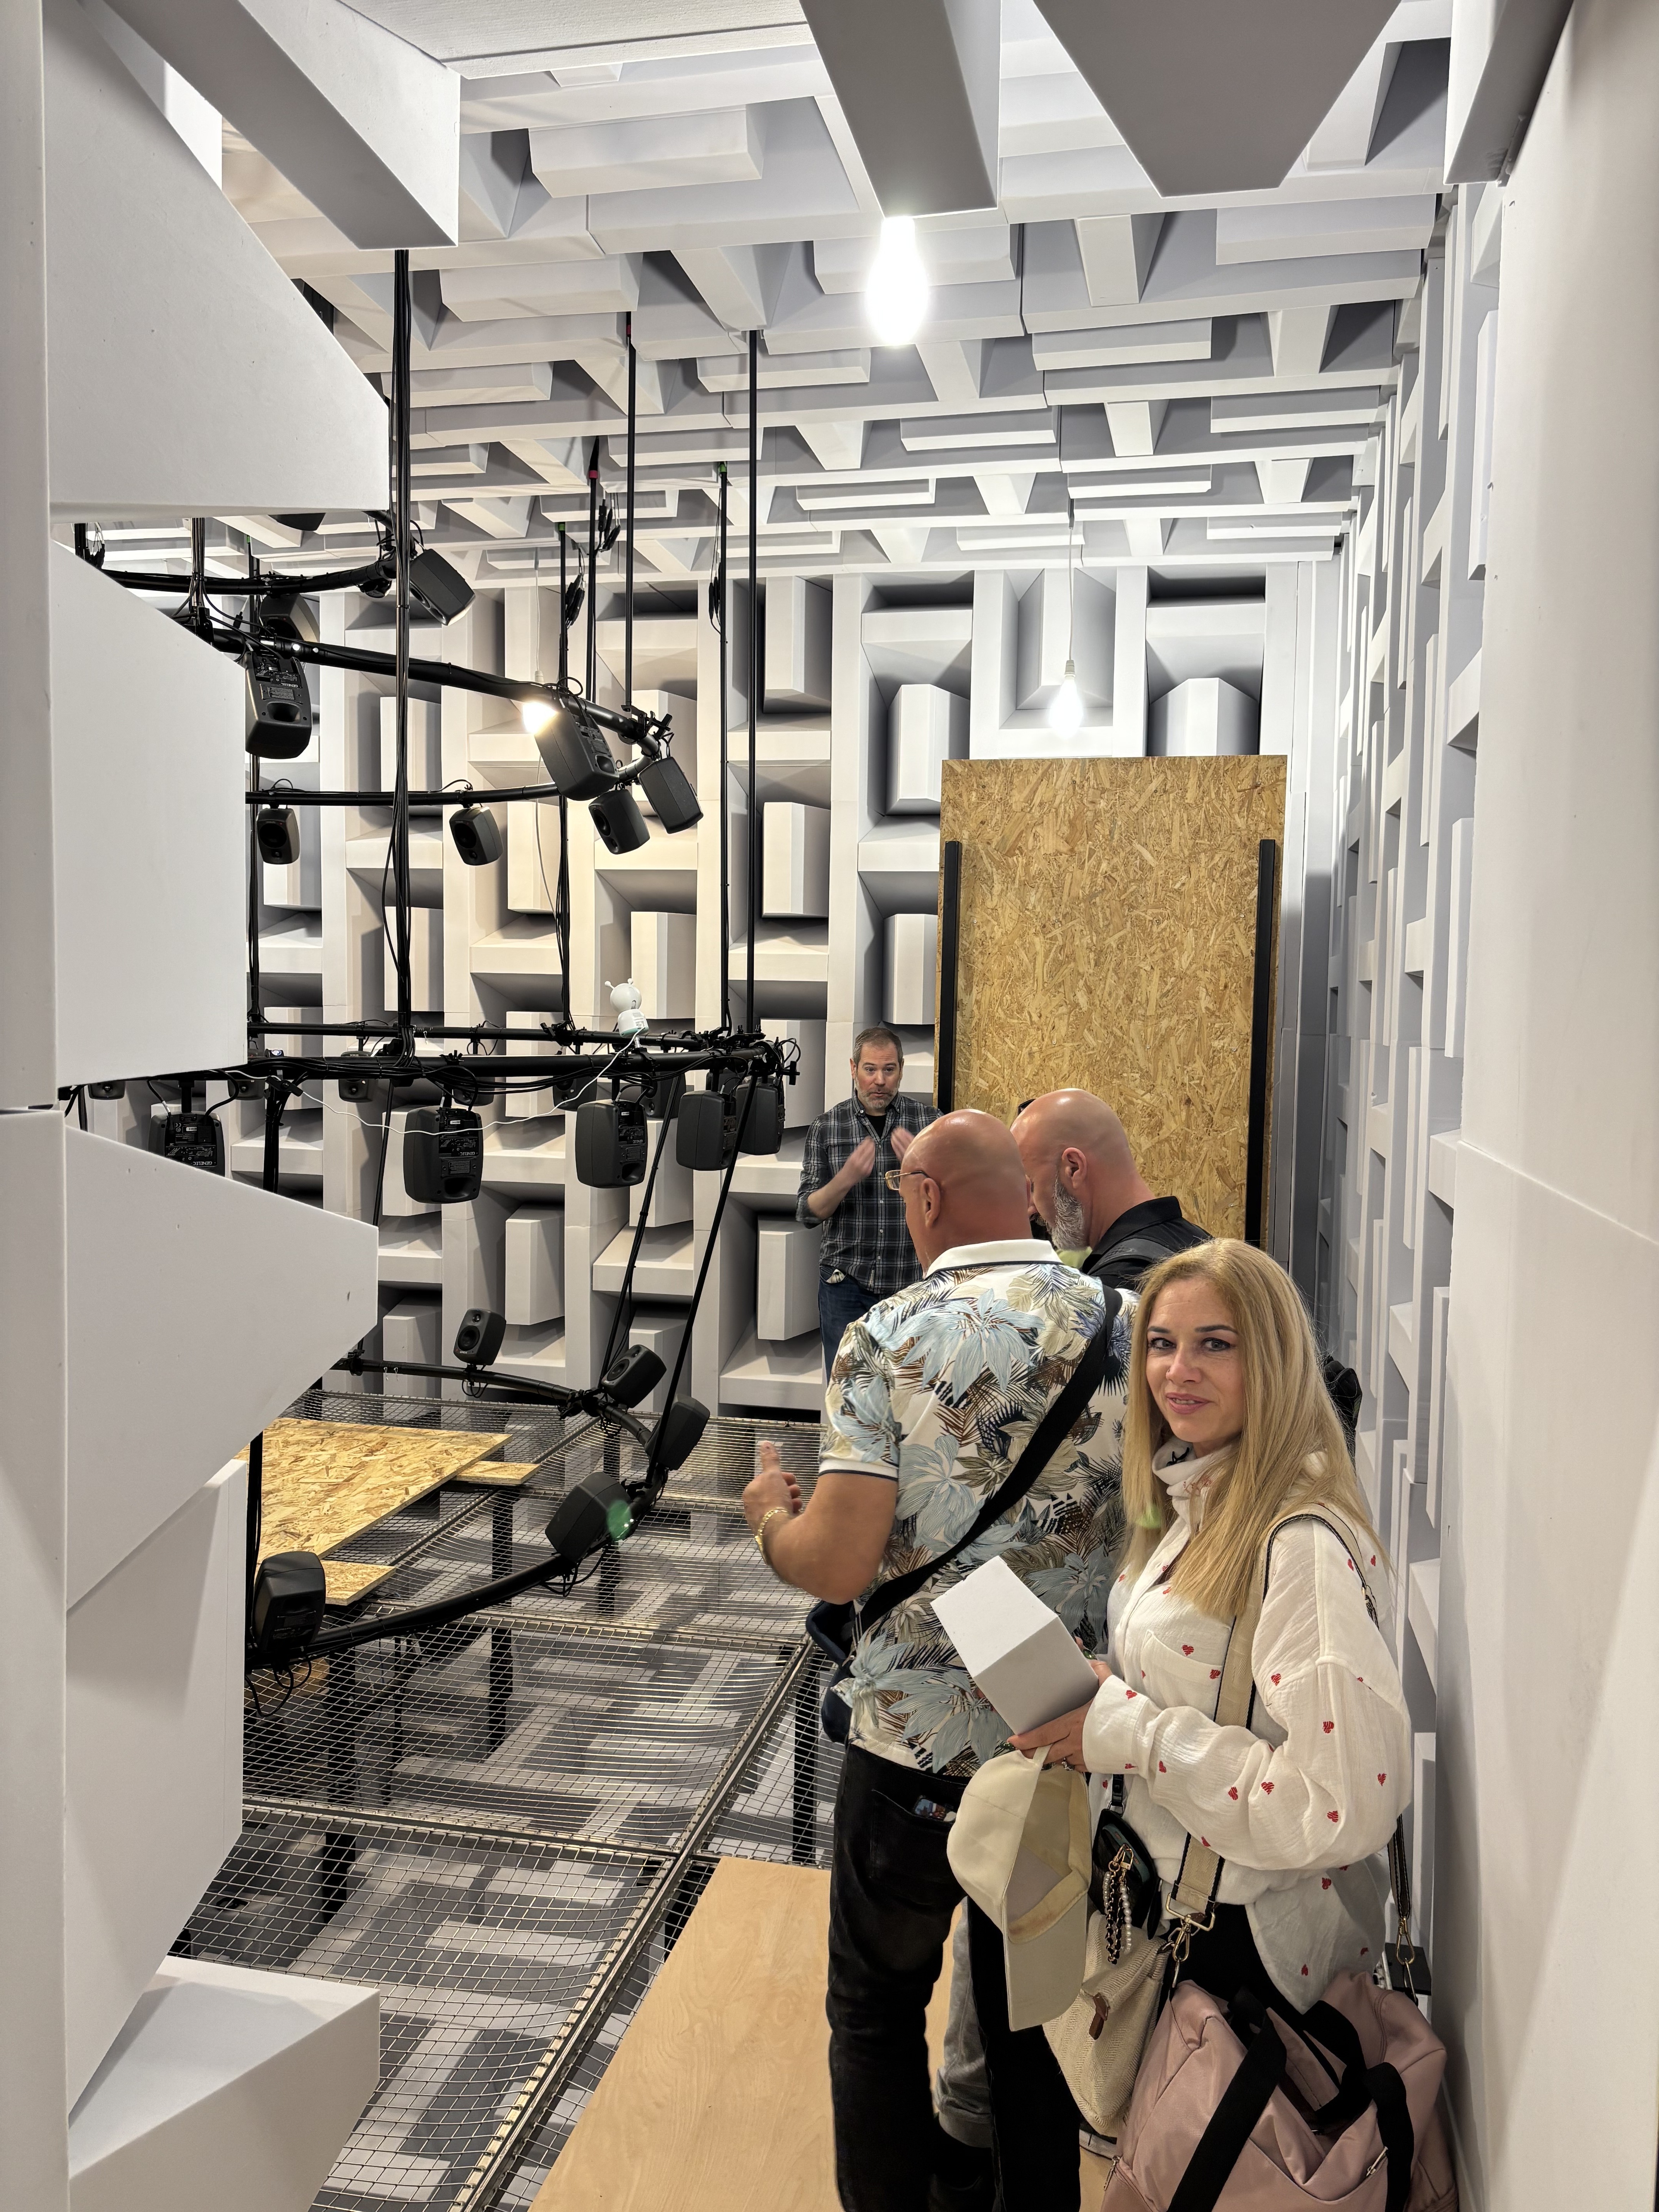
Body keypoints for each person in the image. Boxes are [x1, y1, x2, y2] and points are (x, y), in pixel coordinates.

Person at [743, 1110, 1132, 2212]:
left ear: (922, 1197)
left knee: (876, 2011)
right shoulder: (1124, 1321)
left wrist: (769, 1519)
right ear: (1025, 1196)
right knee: (1032, 2026)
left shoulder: (886, 1338)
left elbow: (838, 1563)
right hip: (1059, 1744)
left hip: (910, 1749)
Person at [1010, 1239, 1412, 2030]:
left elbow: (1342, 1808)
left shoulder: (1298, 1548)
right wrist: (1112, 1695)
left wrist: (1136, 1733)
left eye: (1214, 1345)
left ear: (1274, 1361)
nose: (1177, 1371)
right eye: (1161, 1343)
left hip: (1241, 1961)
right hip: (1177, 1911)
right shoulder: (1198, 1495)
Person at [798, 1025, 937, 1378]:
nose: (880, 1081)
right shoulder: (827, 1127)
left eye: (889, 1070)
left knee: (909, 1391)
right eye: (870, 1069)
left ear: (901, 1070)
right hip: (845, 1285)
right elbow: (808, 1214)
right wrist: (845, 1178)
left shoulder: (930, 1123)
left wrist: (921, 1169)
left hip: (910, 1284)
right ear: (853, 1068)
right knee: (847, 1391)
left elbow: (951, 1206)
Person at [1011, 1089, 1210, 1291]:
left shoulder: (1116, 1288)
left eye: (1033, 1187)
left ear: (1074, 1168)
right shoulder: (1202, 1245)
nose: (1030, 1209)